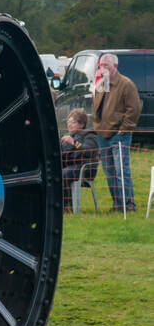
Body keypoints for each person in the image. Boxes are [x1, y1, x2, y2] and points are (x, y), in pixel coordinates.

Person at [92, 53, 141, 212]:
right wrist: (97, 126)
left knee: (121, 171)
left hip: (119, 135)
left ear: (115, 66)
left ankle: (129, 204)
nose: (103, 68)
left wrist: (124, 129)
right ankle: (117, 204)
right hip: (103, 135)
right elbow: (96, 106)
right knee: (109, 172)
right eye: (101, 66)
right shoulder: (101, 83)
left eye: (107, 66)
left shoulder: (126, 84)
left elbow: (133, 109)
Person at [59, 108, 100, 210]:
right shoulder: (67, 136)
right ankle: (56, 206)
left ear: (81, 124)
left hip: (85, 169)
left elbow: (89, 152)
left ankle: (66, 207)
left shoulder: (90, 135)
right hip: (70, 166)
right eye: (68, 122)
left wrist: (74, 143)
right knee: (53, 173)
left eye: (73, 122)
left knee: (64, 174)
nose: (69, 125)